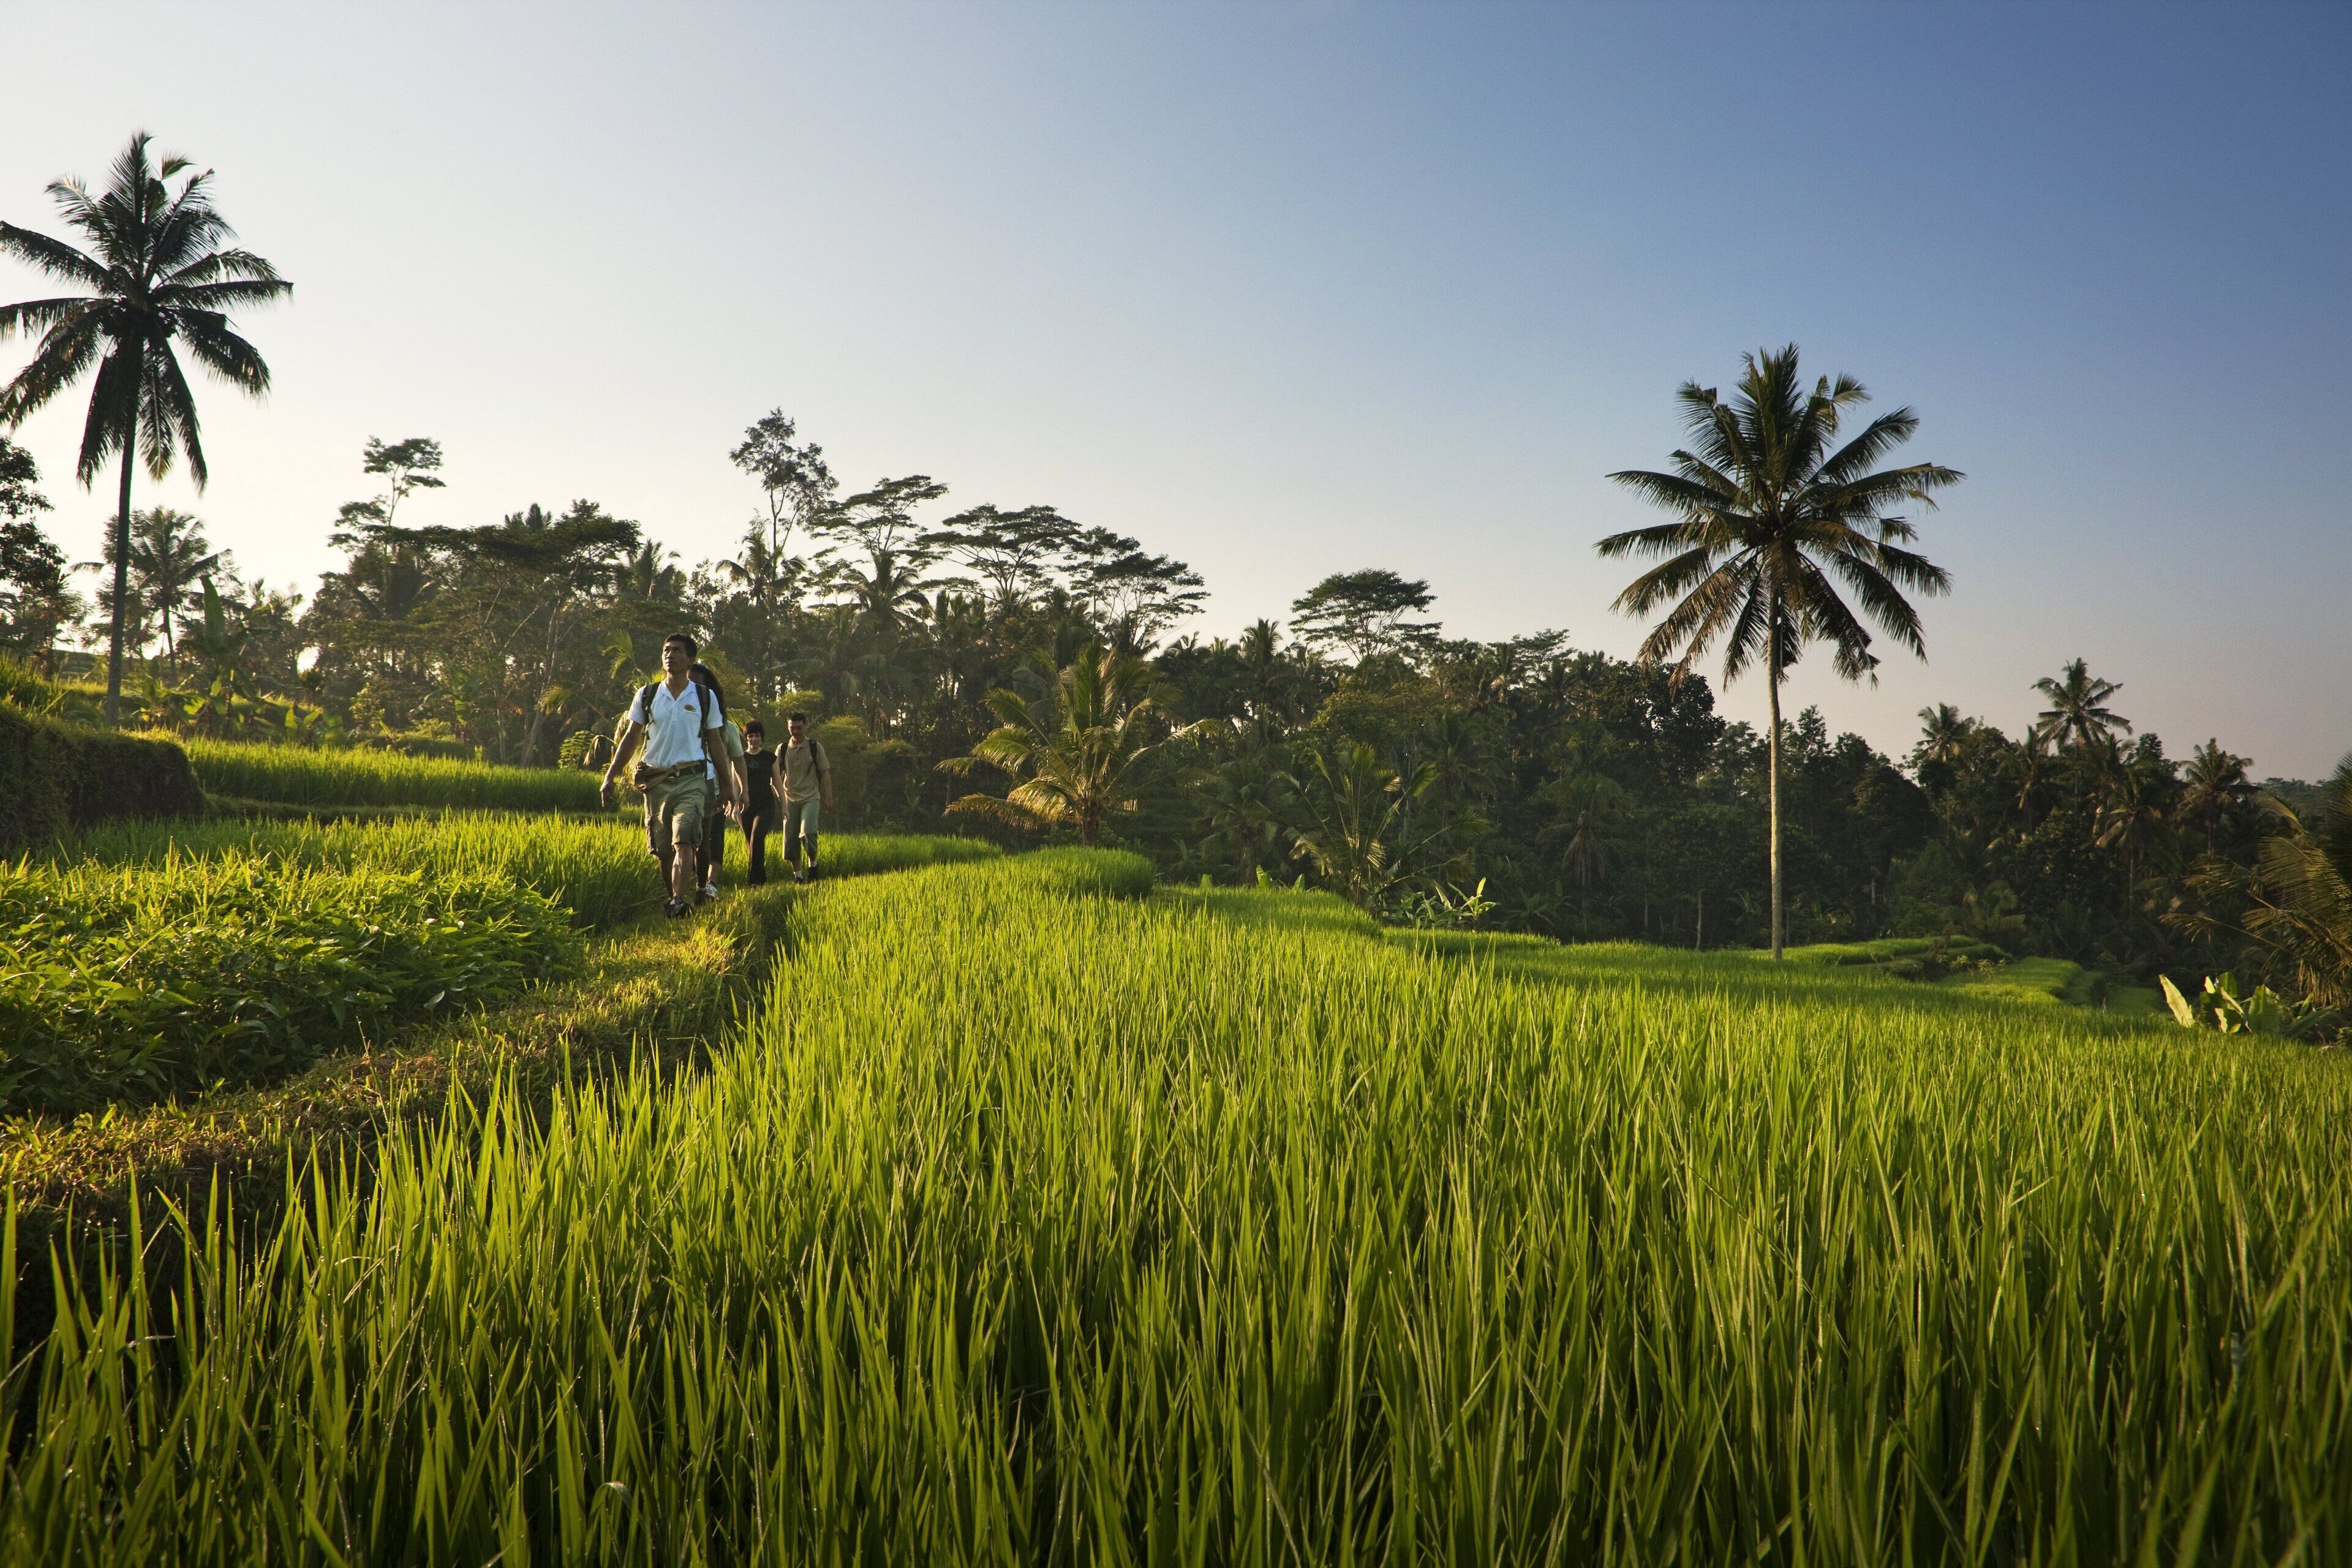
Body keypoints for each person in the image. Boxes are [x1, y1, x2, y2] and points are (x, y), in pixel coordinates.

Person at [598, 633, 737, 918]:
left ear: (690, 659)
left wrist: (726, 785)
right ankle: (675, 897)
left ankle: (678, 900)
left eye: (677, 651)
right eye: (667, 650)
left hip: (692, 779)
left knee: (684, 839)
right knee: (663, 851)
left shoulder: (704, 697)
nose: (670, 655)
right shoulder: (647, 695)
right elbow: (631, 738)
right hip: (656, 781)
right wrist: (610, 776)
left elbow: (716, 743)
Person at [687, 662, 745, 902]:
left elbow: (738, 761)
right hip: (685, 788)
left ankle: (710, 884)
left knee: (713, 839)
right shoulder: (682, 722)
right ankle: (690, 885)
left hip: (716, 792)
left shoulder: (726, 728)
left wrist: (741, 791)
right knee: (687, 839)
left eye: (698, 685)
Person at [776, 710, 835, 882]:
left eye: (799, 728)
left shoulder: (815, 747)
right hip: (790, 798)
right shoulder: (783, 749)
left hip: (811, 797)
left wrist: (829, 797)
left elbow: (825, 772)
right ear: (788, 728)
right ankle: (798, 876)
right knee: (790, 839)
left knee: (808, 833)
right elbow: (775, 775)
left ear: (805, 726)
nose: (796, 731)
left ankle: (813, 864)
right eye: (792, 728)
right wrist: (779, 797)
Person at [738, 719, 779, 884]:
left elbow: (777, 783)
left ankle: (753, 881)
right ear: (746, 738)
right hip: (746, 805)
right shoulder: (740, 758)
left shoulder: (770, 758)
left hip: (766, 805)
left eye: (757, 736)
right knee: (751, 842)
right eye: (750, 736)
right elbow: (735, 784)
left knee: (757, 837)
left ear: (762, 738)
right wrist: (733, 805)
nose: (754, 739)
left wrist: (784, 806)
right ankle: (761, 880)